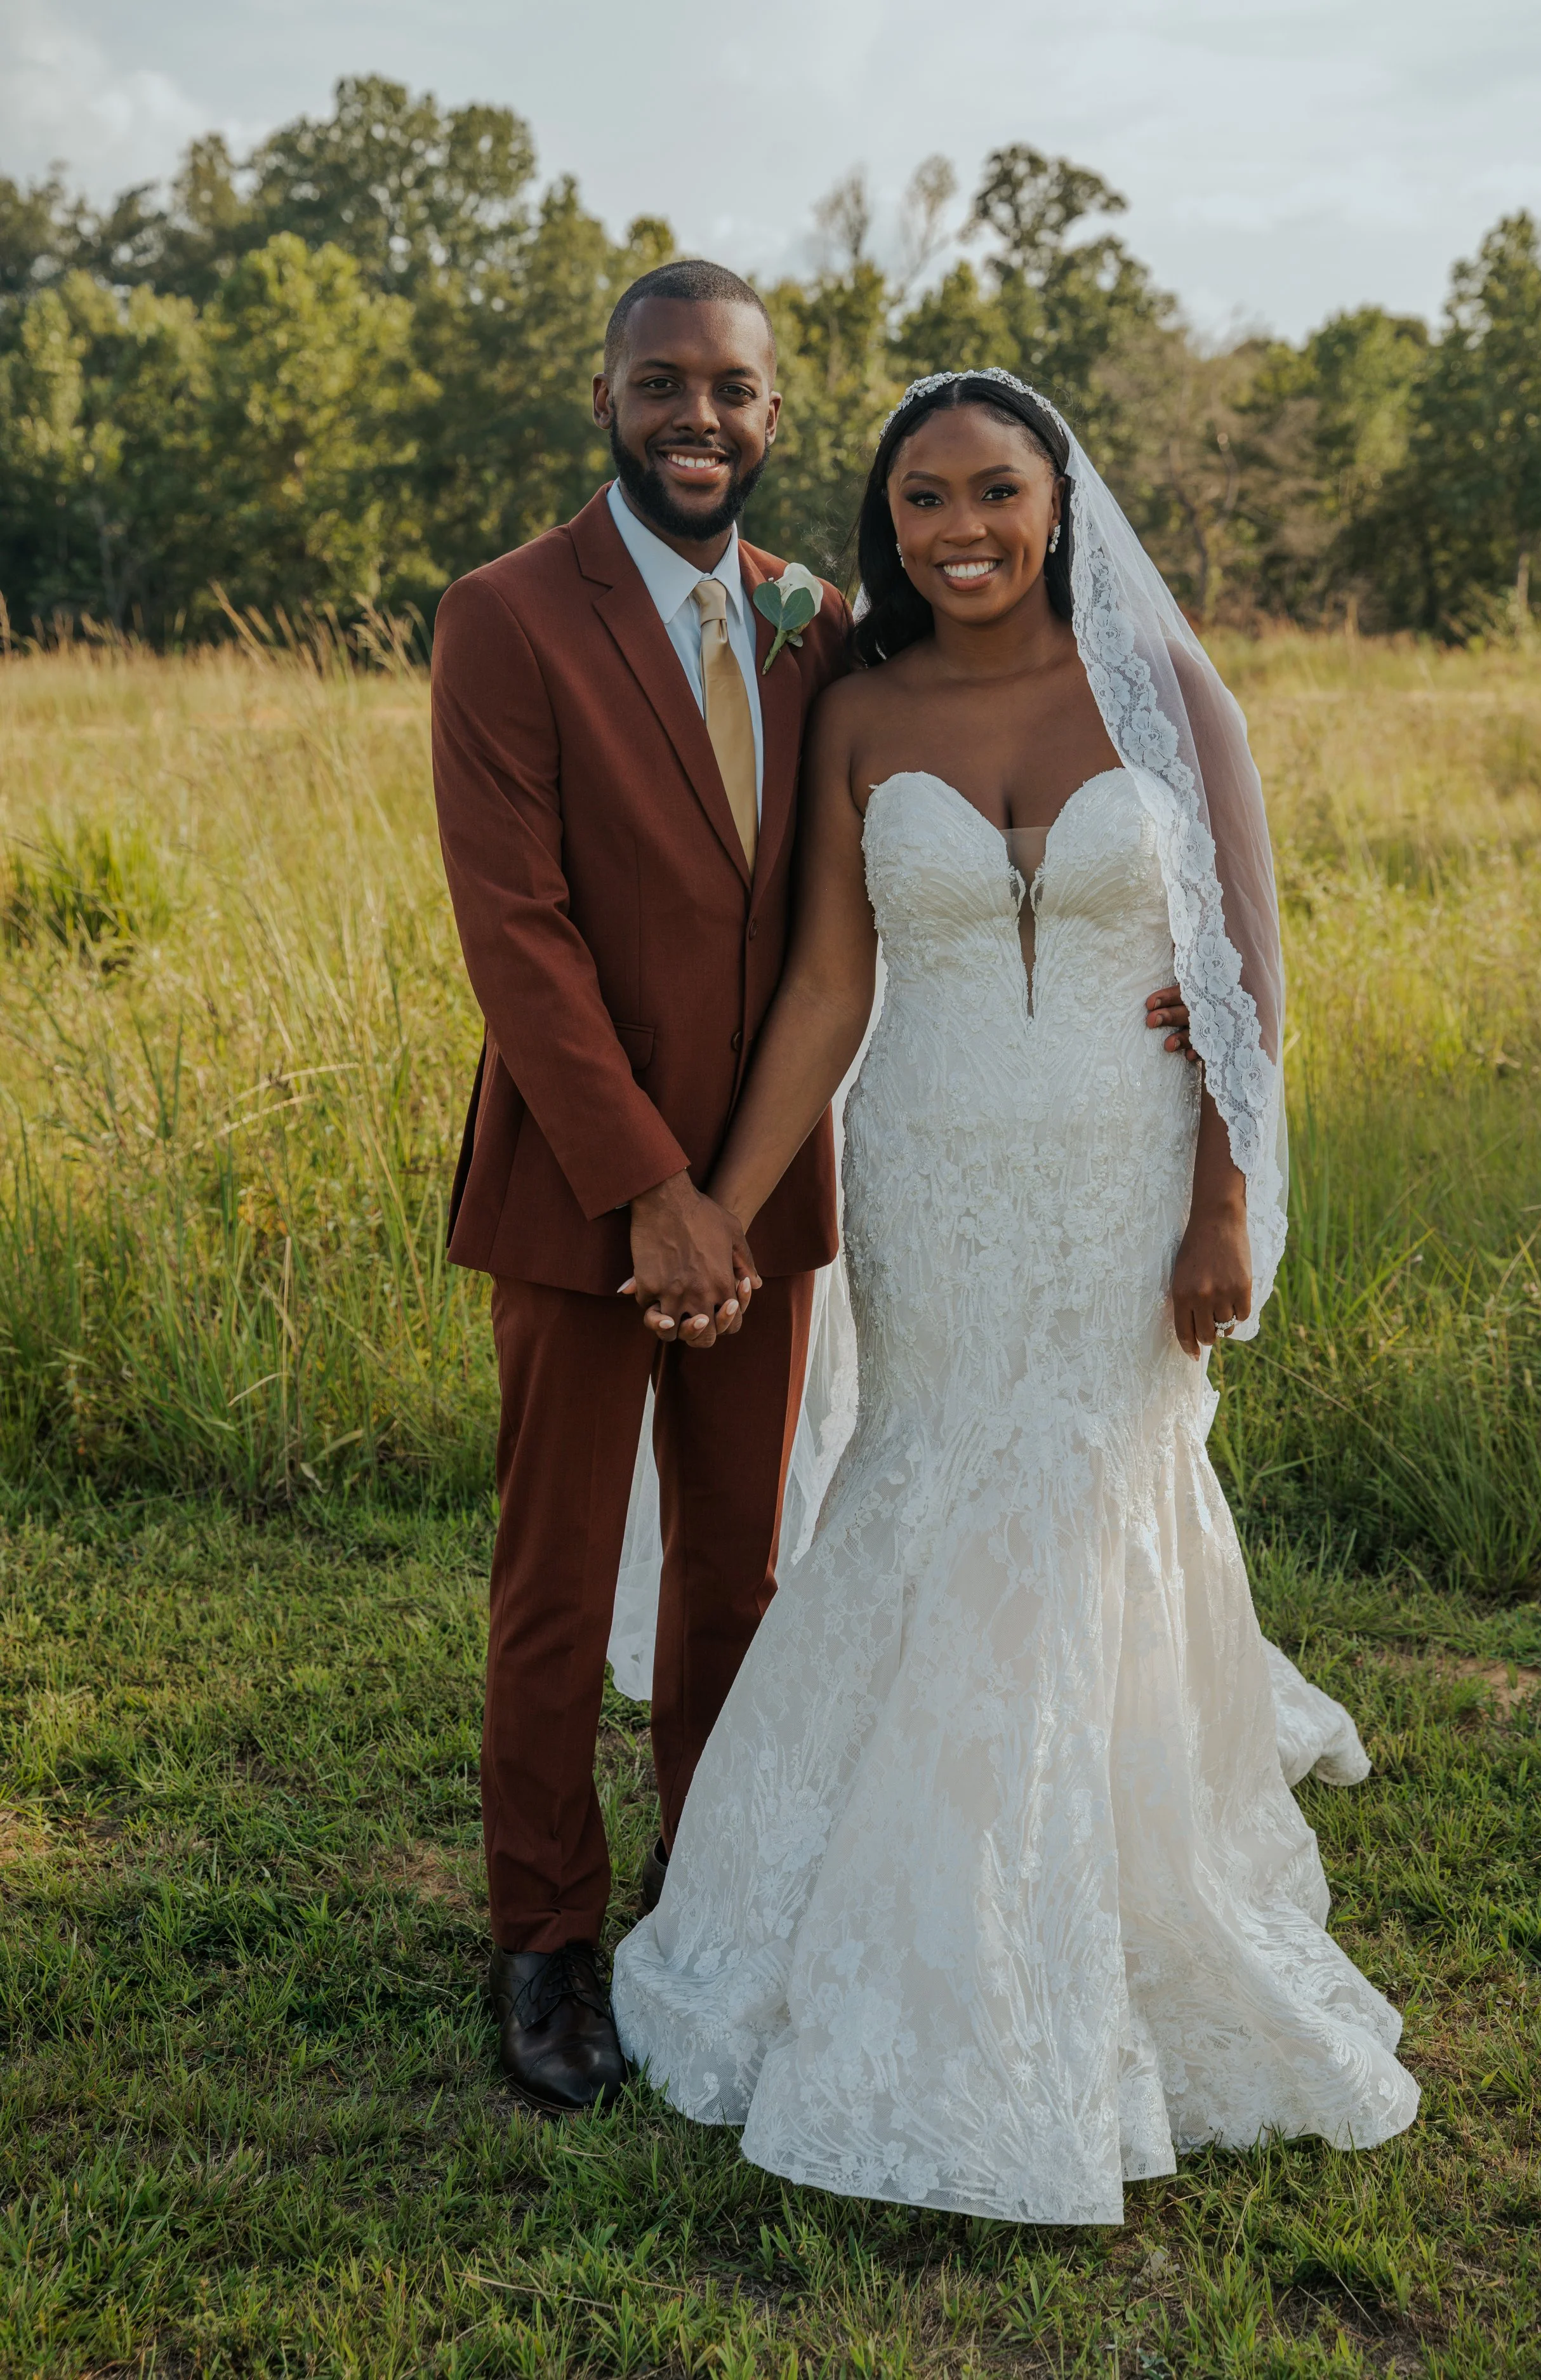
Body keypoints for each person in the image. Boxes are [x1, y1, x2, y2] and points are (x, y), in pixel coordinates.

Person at [612, 371, 1420, 2222]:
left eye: (991, 491)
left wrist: (1221, 1197)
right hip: (935, 1166)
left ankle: (1094, 1897)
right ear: (885, 521)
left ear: (1057, 505)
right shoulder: (859, 711)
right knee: (934, 1484)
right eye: (918, 500)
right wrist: (721, 1212)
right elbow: (823, 990)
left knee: (1088, 1501)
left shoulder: (1163, 690)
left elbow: (1240, 972)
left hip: (1120, 1171)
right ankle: (890, 1900)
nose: (956, 528)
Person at [429, 261, 856, 2114]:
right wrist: (649, 1192)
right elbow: (514, 936)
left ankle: (712, 1901)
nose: (701, 417)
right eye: (662, 382)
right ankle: (546, 1936)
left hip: (771, 1184)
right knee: (555, 1576)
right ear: (602, 393)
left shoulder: (819, 621)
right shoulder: (508, 614)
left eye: (734, 388)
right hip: (579, 1191)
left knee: (736, 1575)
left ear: (777, 409)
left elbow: (906, 855)